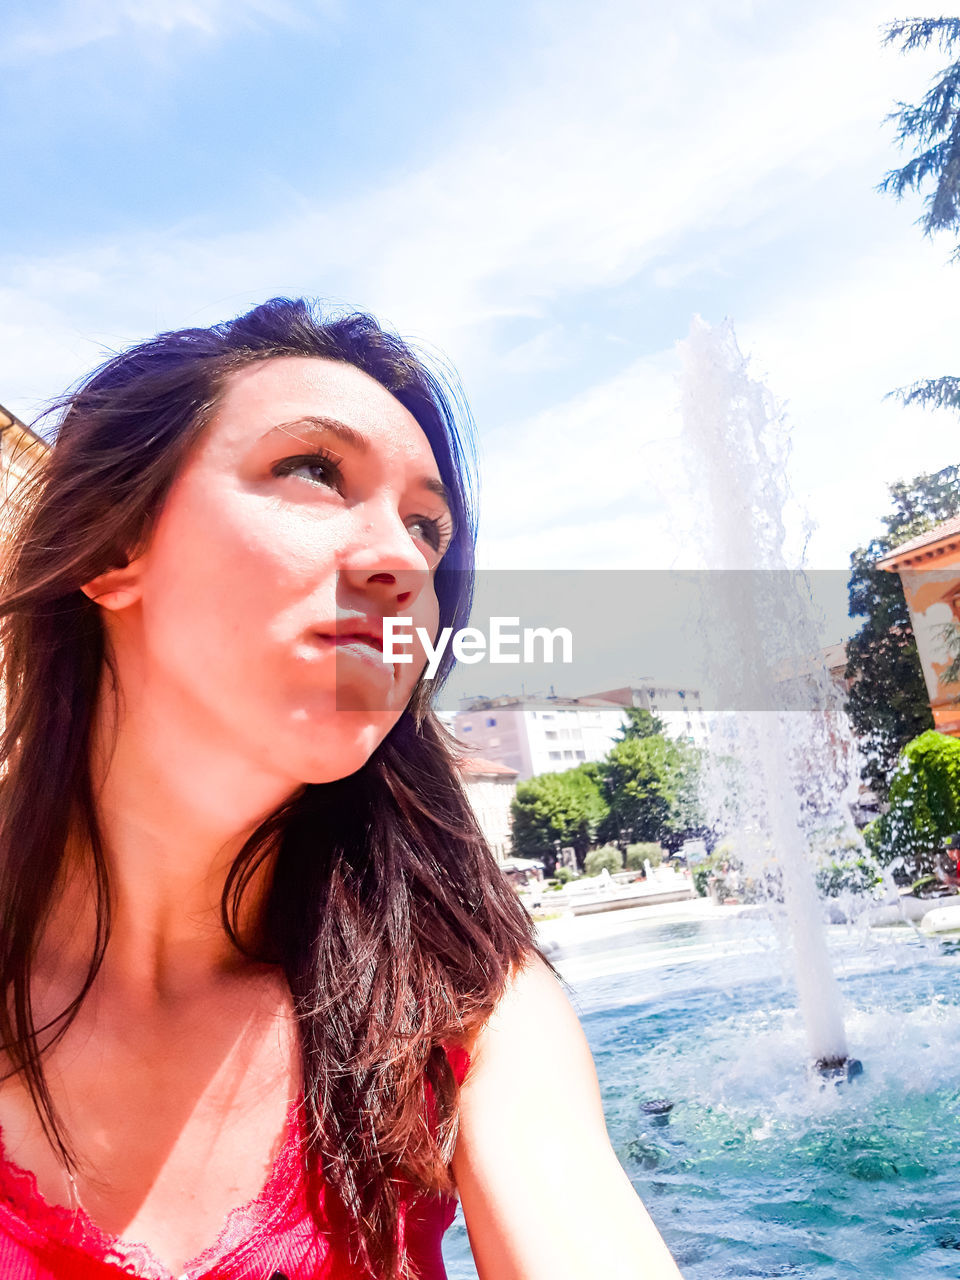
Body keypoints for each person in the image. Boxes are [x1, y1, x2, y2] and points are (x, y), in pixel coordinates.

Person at [0, 298, 685, 1279]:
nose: (406, 560)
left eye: (427, 527)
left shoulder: (469, 1011)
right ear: (114, 552)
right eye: (313, 470)